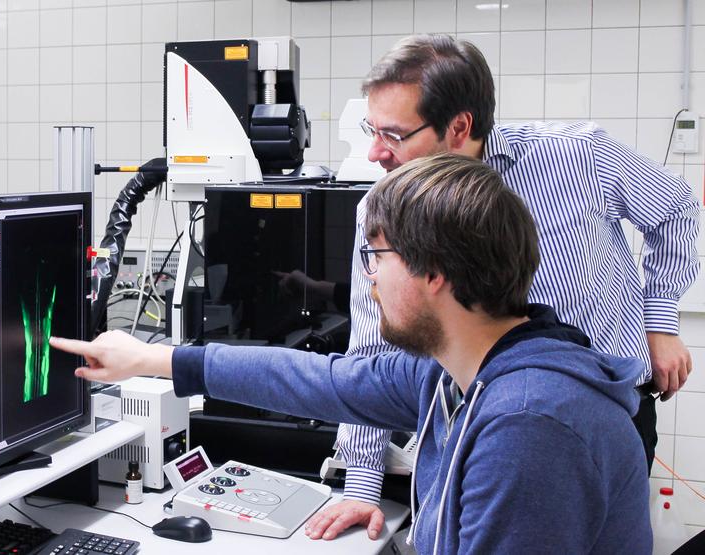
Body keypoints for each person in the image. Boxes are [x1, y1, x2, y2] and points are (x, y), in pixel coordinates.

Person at [51, 154, 653, 554]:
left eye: (377, 258)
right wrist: (152, 362)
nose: (366, 281)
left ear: (434, 273)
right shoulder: (461, 371)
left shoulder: (528, 426)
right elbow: (321, 380)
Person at [313, 33, 699, 542]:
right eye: (372, 128)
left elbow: (675, 208)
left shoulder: (577, 156)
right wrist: (362, 484)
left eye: (394, 134)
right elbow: (372, 353)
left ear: (459, 126)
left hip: (597, 413)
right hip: (477, 424)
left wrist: (659, 321)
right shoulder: (383, 206)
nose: (375, 152)